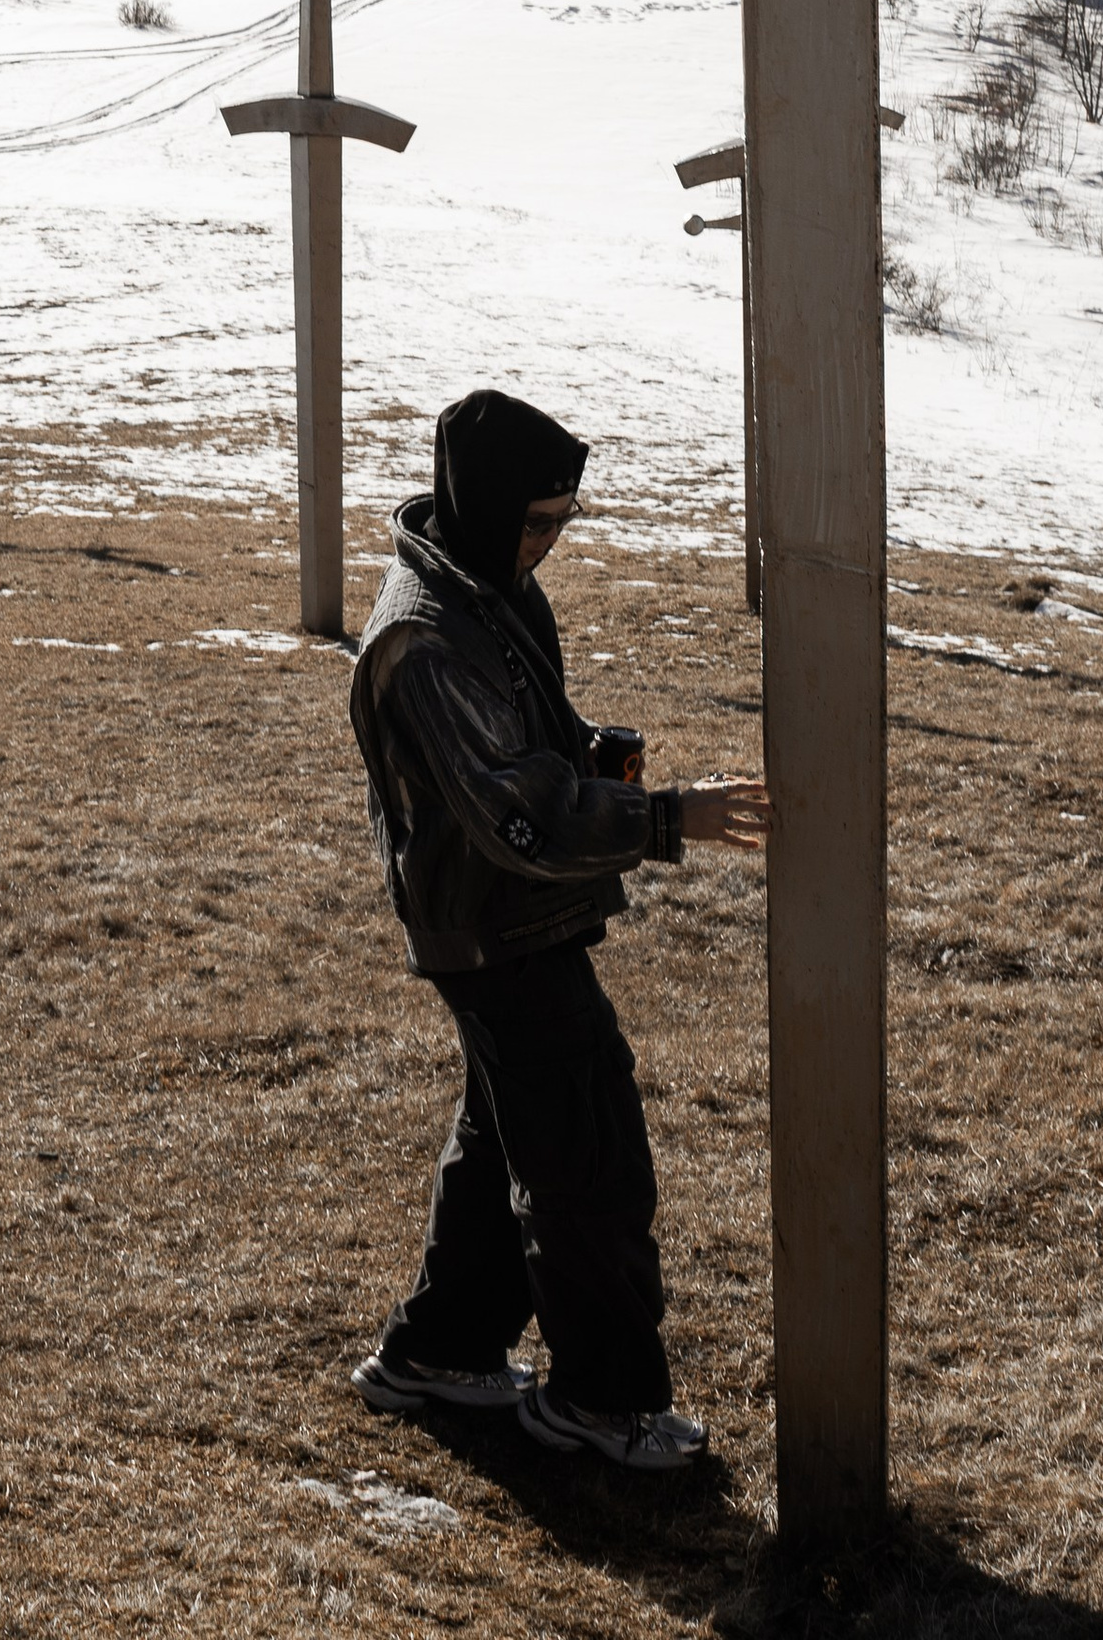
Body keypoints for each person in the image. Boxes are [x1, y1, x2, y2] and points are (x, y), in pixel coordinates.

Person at [347, 387, 769, 1473]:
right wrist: (666, 819)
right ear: (482, 505)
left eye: (563, 523)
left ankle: (437, 1352)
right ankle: (601, 1400)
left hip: (507, 922)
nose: (548, 544)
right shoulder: (426, 636)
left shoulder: (484, 582)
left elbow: (535, 740)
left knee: (507, 1148)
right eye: (536, 523)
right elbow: (514, 813)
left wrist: (595, 754)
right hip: (496, 930)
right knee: (588, 1161)